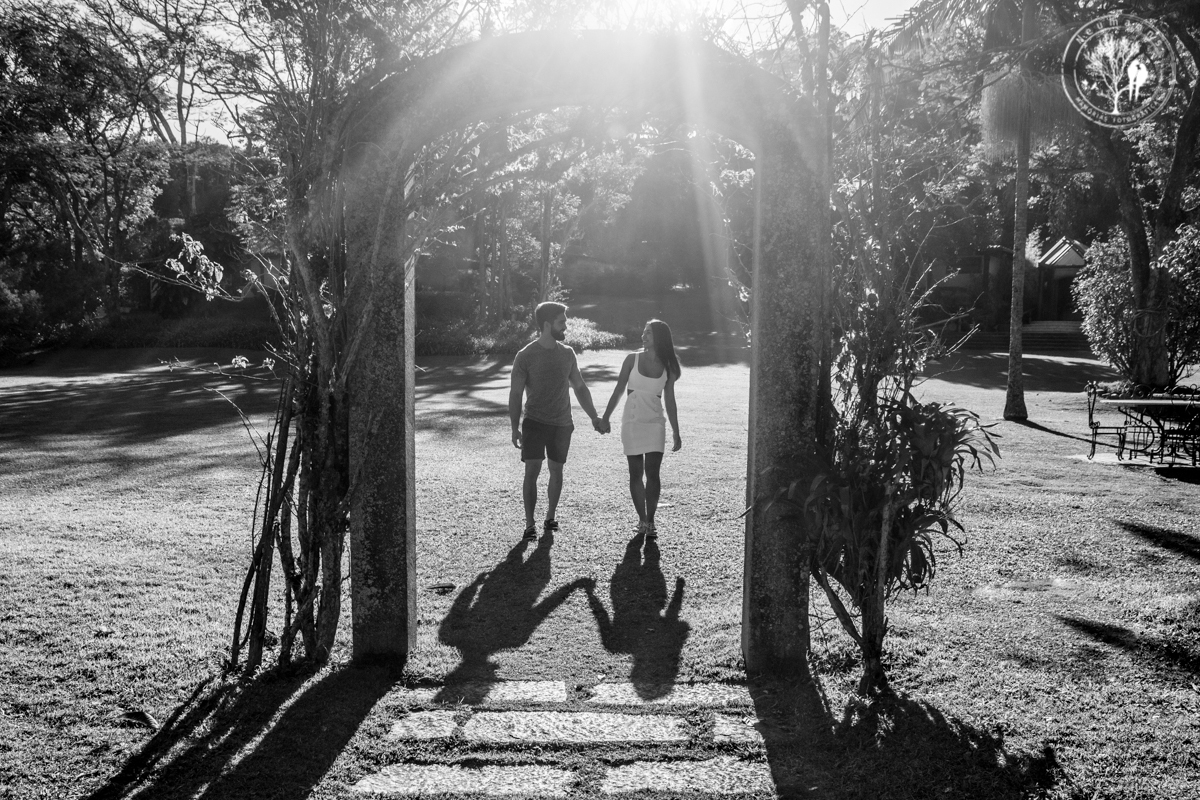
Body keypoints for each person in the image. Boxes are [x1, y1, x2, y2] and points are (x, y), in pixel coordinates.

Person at [509, 301, 608, 540]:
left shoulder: (567, 354)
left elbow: (580, 387)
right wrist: (514, 428)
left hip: (562, 423)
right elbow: (515, 394)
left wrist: (594, 416)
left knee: (556, 470)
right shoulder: (525, 356)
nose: (565, 326)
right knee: (532, 470)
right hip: (534, 421)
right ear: (547, 324)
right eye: (561, 321)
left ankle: (550, 517)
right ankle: (530, 524)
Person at [600, 319, 682, 539]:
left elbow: (670, 401)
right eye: (644, 332)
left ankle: (652, 521)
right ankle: (642, 521)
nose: (643, 335)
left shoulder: (669, 367)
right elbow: (618, 390)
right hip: (632, 421)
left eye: (649, 332)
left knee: (653, 474)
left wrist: (676, 430)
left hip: (655, 422)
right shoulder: (631, 359)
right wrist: (605, 417)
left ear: (660, 337)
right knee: (635, 473)